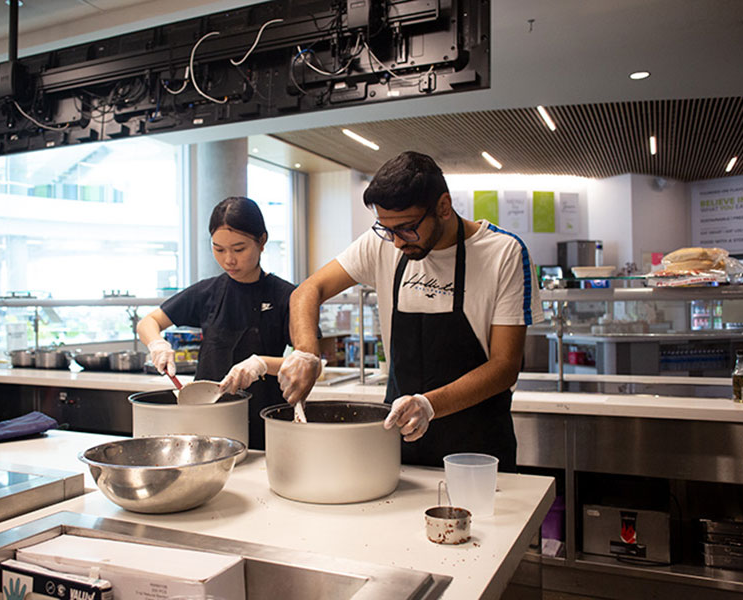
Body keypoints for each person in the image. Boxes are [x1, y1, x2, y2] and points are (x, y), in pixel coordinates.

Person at [278, 151, 543, 470]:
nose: (396, 242)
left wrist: (429, 404)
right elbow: (307, 290)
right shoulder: (381, 244)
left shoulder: (503, 253)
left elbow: (505, 366)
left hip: (477, 453)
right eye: (386, 229)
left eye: (407, 228)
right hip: (399, 445)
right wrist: (306, 353)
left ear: (443, 207)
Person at [137, 196, 295, 450]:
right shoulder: (207, 292)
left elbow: (311, 363)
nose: (229, 260)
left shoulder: (286, 296)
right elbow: (149, 322)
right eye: (219, 249)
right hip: (206, 422)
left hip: (265, 424)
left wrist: (262, 364)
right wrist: (157, 344)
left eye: (239, 249)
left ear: (262, 241)